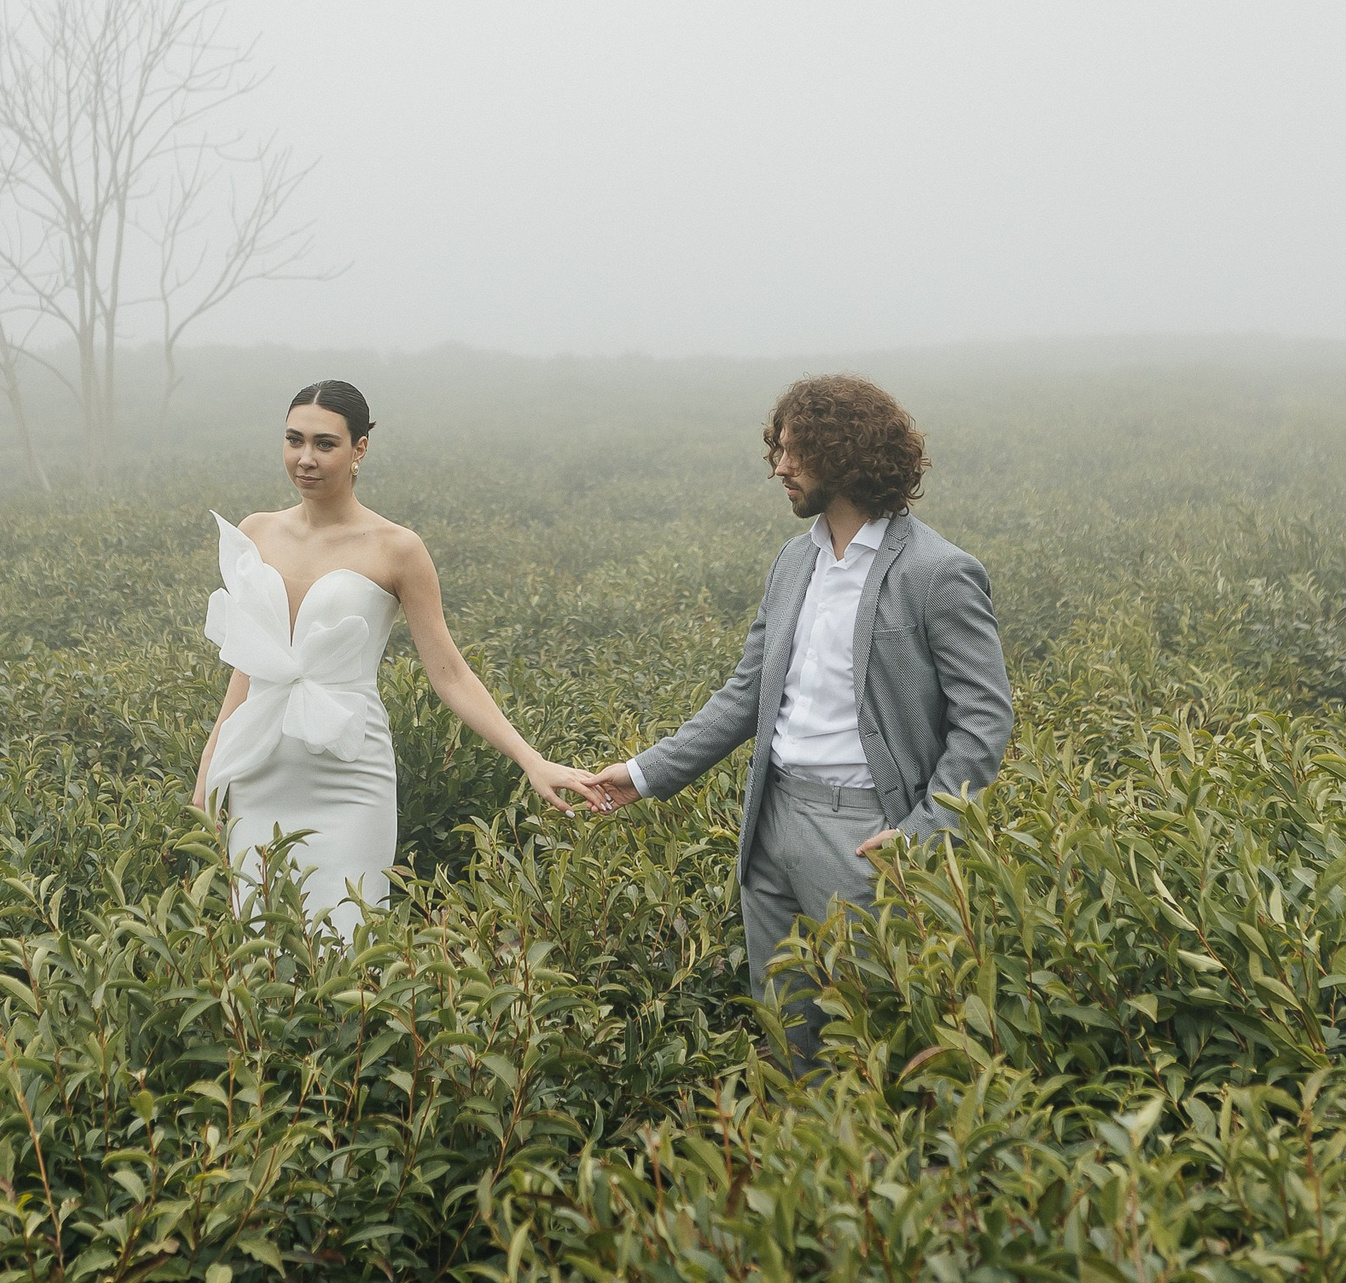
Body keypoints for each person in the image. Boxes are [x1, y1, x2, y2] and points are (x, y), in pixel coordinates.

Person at [592, 375, 1014, 1070]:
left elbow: (985, 724)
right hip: (773, 818)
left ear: (847, 455)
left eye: (796, 452)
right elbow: (747, 693)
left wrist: (921, 835)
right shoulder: (794, 561)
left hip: (864, 834)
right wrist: (643, 773)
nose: (779, 467)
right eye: (778, 449)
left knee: (871, 1038)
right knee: (788, 1033)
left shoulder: (938, 573)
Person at [195, 379, 608, 933]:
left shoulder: (397, 548)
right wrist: (207, 783)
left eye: (325, 444)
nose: (305, 459)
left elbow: (451, 674)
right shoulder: (256, 532)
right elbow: (245, 673)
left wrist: (532, 761)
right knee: (261, 953)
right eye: (294, 440)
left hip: (348, 778)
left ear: (360, 448)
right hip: (256, 769)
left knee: (347, 942)